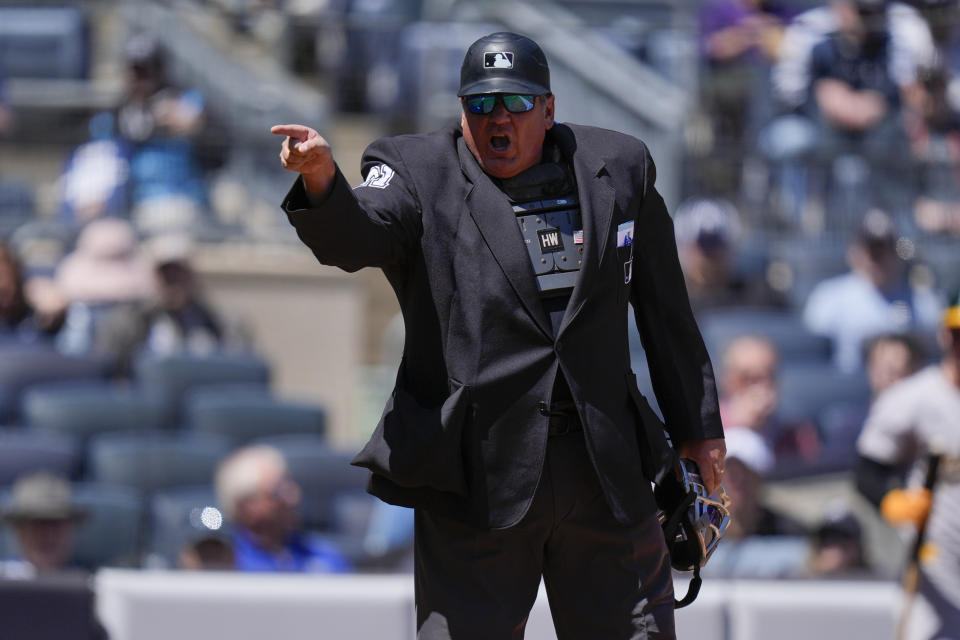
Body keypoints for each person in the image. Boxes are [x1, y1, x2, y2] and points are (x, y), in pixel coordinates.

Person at [272, 31, 726, 639]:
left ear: (548, 108)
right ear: (461, 111)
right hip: (477, 475)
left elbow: (665, 310)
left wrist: (699, 429)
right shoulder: (414, 171)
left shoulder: (621, 168)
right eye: (480, 105)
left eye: (514, 102)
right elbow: (360, 235)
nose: (497, 119)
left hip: (604, 468)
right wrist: (323, 181)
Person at [855, 291, 960, 639]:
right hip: (936, 559)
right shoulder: (915, 397)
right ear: (945, 335)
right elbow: (867, 471)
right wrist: (893, 501)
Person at [803, 209, 941, 372]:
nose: (878, 257)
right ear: (855, 251)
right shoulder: (828, 298)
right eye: (872, 249)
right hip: (848, 391)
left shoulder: (923, 303)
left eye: (885, 248)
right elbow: (812, 357)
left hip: (907, 392)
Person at [214, 444, 351, 573]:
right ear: (246, 505)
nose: (294, 497)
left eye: (290, 484)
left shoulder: (322, 556)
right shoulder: (223, 563)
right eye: (277, 492)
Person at [0, 472, 87, 577]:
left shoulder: (95, 584)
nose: (48, 535)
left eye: (56, 525)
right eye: (38, 524)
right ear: (18, 530)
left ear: (71, 530)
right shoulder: (4, 577)